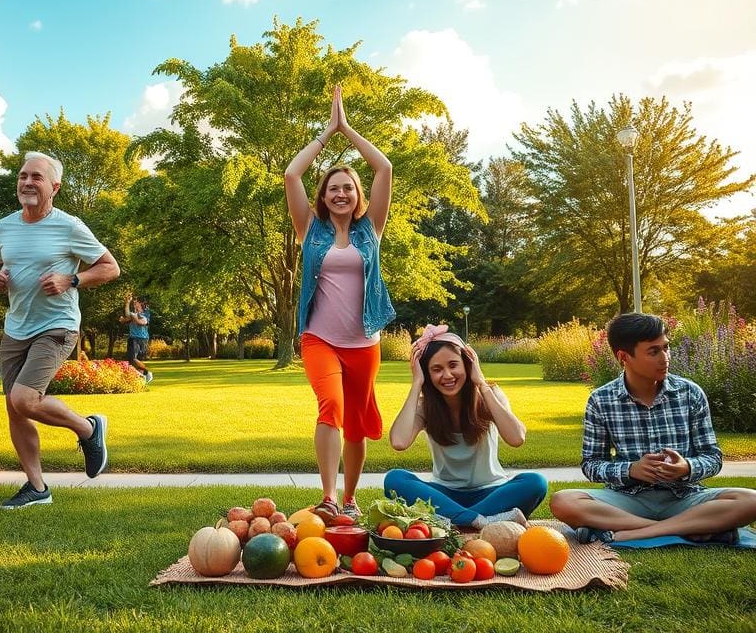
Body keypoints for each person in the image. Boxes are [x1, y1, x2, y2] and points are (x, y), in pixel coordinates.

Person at [0, 151, 121, 510]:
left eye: (37, 178)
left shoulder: (69, 226)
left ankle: (88, 429)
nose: (27, 183)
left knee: (25, 399)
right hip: (16, 326)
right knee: (15, 410)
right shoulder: (5, 226)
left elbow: (110, 267)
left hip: (57, 326)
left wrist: (72, 278)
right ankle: (37, 488)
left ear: (54, 187)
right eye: (23, 176)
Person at [284, 84, 395, 519]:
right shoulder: (309, 229)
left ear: (357, 195)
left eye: (347, 187)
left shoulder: (372, 229)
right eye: (333, 188)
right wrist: (326, 134)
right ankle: (329, 497)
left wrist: (348, 129)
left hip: (364, 342)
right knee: (330, 406)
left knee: (357, 424)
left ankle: (350, 500)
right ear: (324, 196)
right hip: (320, 339)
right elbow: (292, 175)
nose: (341, 194)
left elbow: (384, 166)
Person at [551, 312, 756, 544]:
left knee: (751, 500)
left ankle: (635, 532)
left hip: (684, 498)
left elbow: (713, 457)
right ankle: (688, 530)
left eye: (666, 348)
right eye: (653, 351)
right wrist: (631, 470)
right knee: (563, 501)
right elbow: (591, 464)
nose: (665, 357)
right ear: (624, 356)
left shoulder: (690, 393)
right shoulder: (601, 400)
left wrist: (686, 467)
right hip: (626, 500)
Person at [384, 325, 547, 528]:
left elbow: (517, 438)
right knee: (395, 479)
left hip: (491, 491)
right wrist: (416, 383)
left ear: (467, 365)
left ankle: (451, 522)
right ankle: (479, 521)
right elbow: (399, 441)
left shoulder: (490, 395)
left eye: (453, 365)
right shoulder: (425, 407)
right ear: (428, 374)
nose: (447, 375)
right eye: (436, 369)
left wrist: (481, 383)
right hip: (444, 494)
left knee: (535, 482)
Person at [124, 294, 152, 383]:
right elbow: (127, 314)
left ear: (141, 304)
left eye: (136, 303)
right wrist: (127, 302)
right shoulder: (134, 314)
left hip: (140, 339)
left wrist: (133, 317)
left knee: (132, 359)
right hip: (134, 338)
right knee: (135, 361)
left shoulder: (145, 314)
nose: (134, 304)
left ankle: (147, 372)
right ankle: (141, 381)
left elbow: (142, 322)